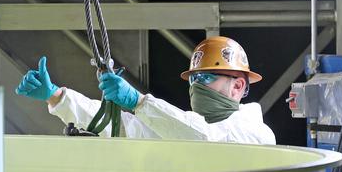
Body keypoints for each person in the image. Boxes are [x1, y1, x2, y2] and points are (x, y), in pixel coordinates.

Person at [15, 35, 276, 144]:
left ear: (238, 86)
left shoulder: (256, 134)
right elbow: (123, 127)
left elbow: (207, 139)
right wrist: (58, 97)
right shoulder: (182, 129)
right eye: (193, 81)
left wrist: (139, 102)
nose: (196, 87)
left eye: (206, 78)